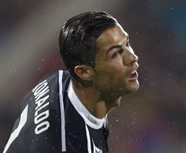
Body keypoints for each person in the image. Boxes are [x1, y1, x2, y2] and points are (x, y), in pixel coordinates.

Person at [3, 11, 140, 153]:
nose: (133, 57)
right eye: (115, 54)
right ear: (84, 72)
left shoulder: (58, 80)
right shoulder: (68, 146)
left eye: (127, 44)